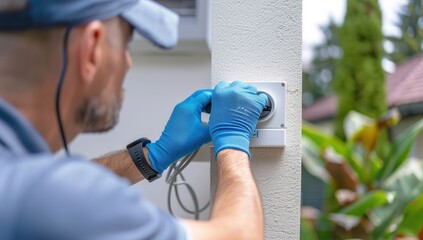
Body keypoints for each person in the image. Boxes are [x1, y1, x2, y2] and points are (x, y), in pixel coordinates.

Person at [0, 0, 268, 239]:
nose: (128, 62)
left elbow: (50, 199)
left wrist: (152, 155)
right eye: (126, 42)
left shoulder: (21, 186)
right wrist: (233, 140)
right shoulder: (45, 197)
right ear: (92, 47)